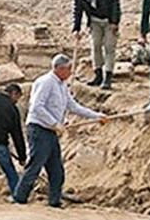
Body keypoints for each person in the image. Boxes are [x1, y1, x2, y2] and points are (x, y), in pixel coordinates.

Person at [13, 55, 106, 207]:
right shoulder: (46, 82)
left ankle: (54, 201)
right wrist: (54, 123)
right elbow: (37, 107)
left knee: (56, 168)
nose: (71, 72)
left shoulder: (62, 85)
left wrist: (97, 116)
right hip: (39, 129)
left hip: (51, 131)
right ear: (60, 68)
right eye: (69, 69)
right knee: (35, 165)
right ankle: (20, 197)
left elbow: (73, 106)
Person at [71, 0, 122, 90]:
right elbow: (78, 9)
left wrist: (115, 21)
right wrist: (76, 28)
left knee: (109, 48)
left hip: (109, 20)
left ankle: (108, 77)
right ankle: (98, 75)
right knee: (95, 46)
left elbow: (115, 2)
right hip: (94, 21)